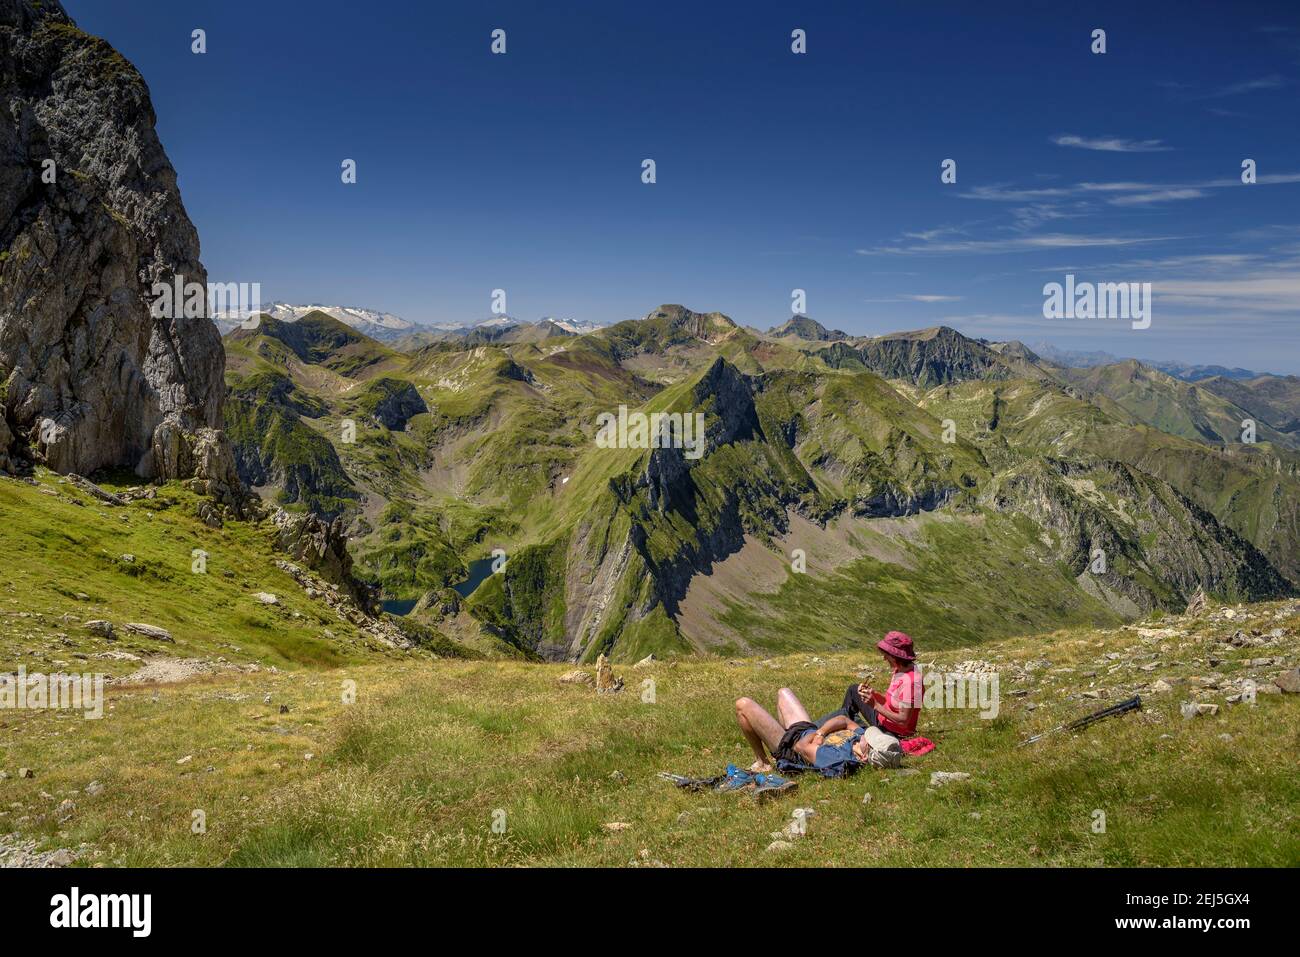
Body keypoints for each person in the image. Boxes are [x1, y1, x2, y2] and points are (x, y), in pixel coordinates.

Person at [734, 687, 874, 773]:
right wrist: (821, 732)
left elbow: (801, 747)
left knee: (742, 704)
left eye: (873, 744)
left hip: (790, 747)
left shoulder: (838, 758)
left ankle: (763, 763)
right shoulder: (861, 737)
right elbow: (844, 720)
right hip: (808, 730)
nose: (870, 739)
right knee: (783, 692)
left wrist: (818, 733)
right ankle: (774, 739)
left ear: (864, 757)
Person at [820, 630, 921, 738]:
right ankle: (841, 726)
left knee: (850, 716)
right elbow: (891, 702)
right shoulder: (900, 669)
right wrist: (873, 694)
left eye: (887, 655)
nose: (884, 658)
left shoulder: (911, 682)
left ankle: (844, 728)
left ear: (896, 656)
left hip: (893, 733)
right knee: (853, 690)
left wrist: (875, 705)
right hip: (884, 721)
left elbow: (903, 721)